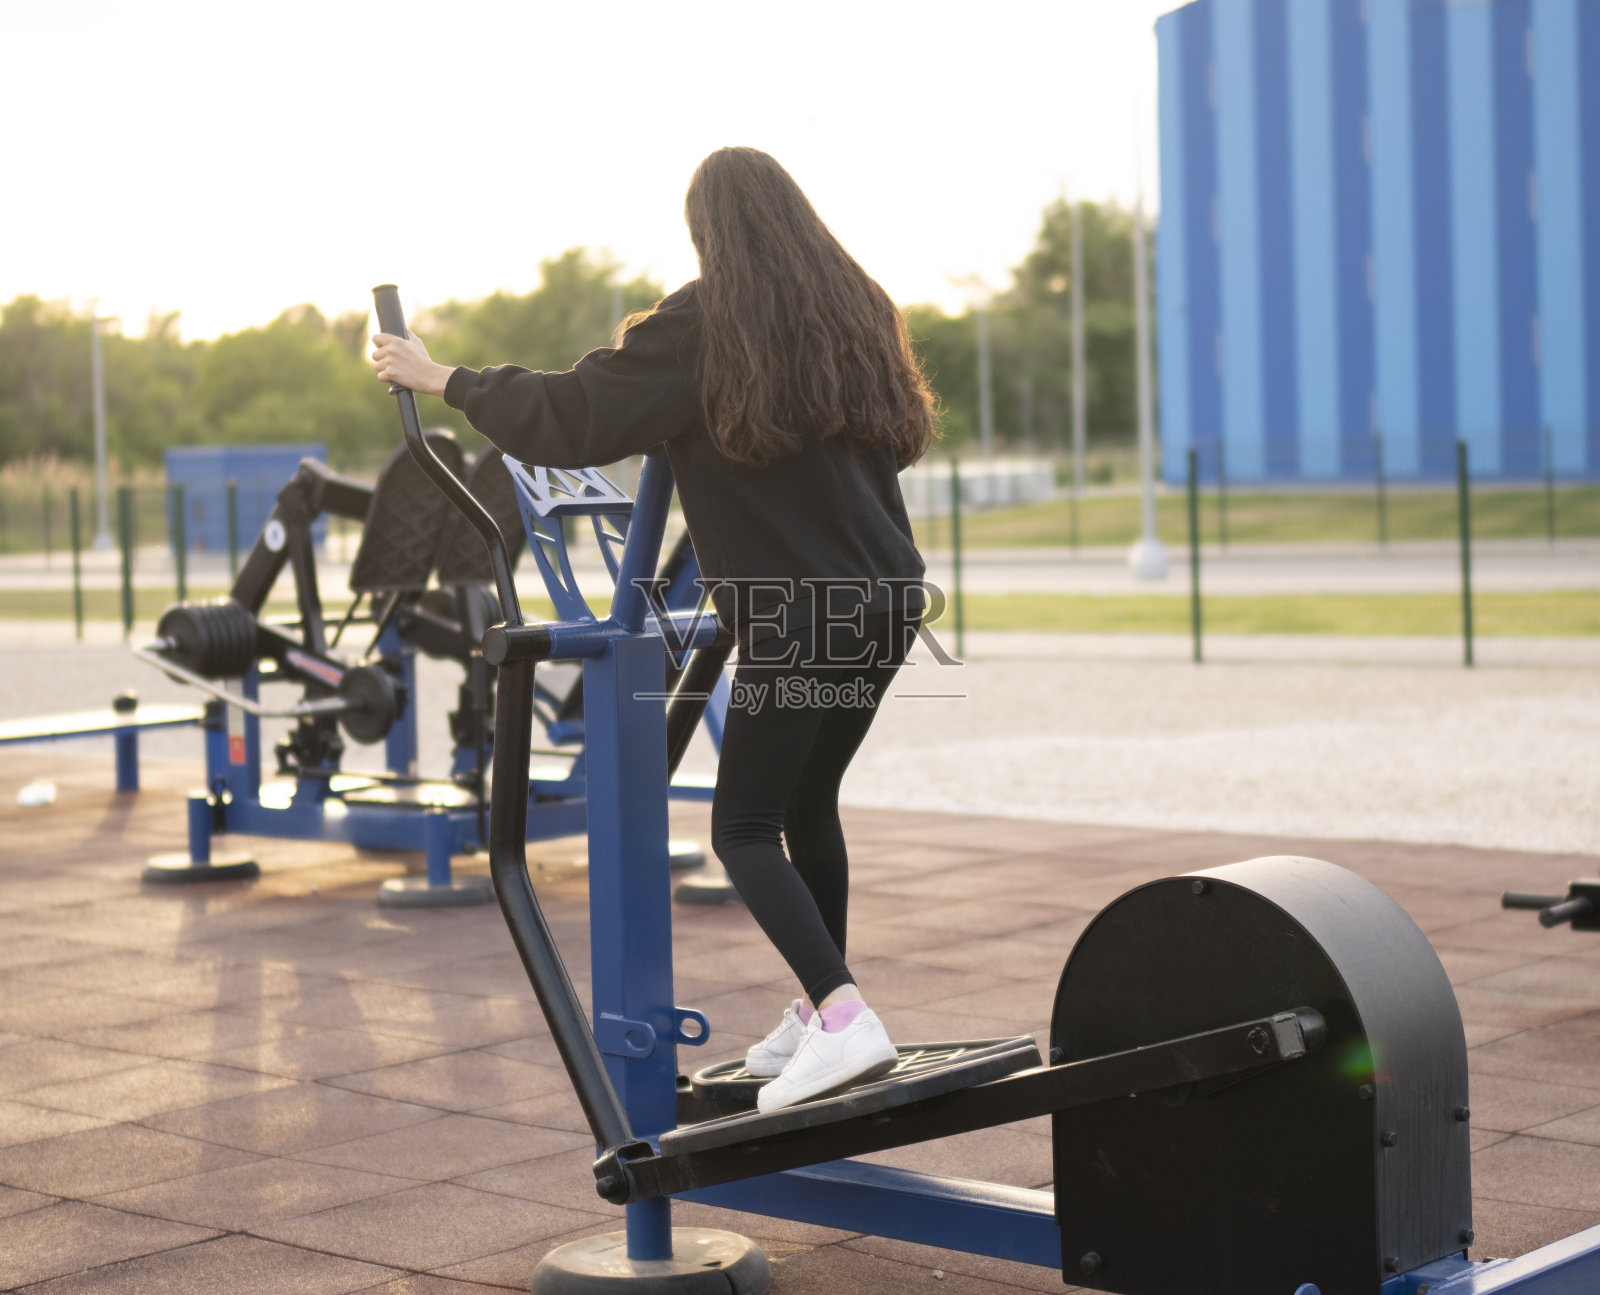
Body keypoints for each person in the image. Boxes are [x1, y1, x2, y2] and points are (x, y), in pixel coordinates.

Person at [370, 146, 936, 1112]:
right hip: (884, 602)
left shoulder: (711, 320)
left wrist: (445, 376)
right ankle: (821, 1010)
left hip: (796, 613)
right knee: (809, 804)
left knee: (744, 826)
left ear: (708, 232)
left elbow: (576, 412)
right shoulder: (858, 309)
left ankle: (844, 1018)